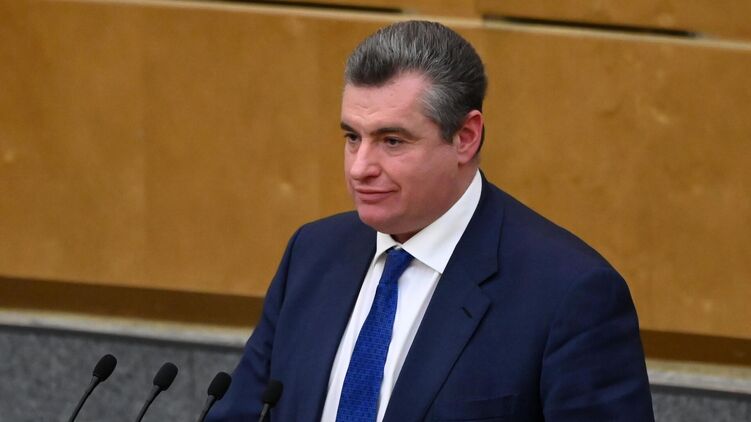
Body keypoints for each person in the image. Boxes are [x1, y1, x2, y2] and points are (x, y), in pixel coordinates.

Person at [208, 20, 654, 421]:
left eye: (392, 141)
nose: (360, 167)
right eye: (352, 137)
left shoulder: (569, 294)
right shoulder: (312, 253)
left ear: (465, 137)